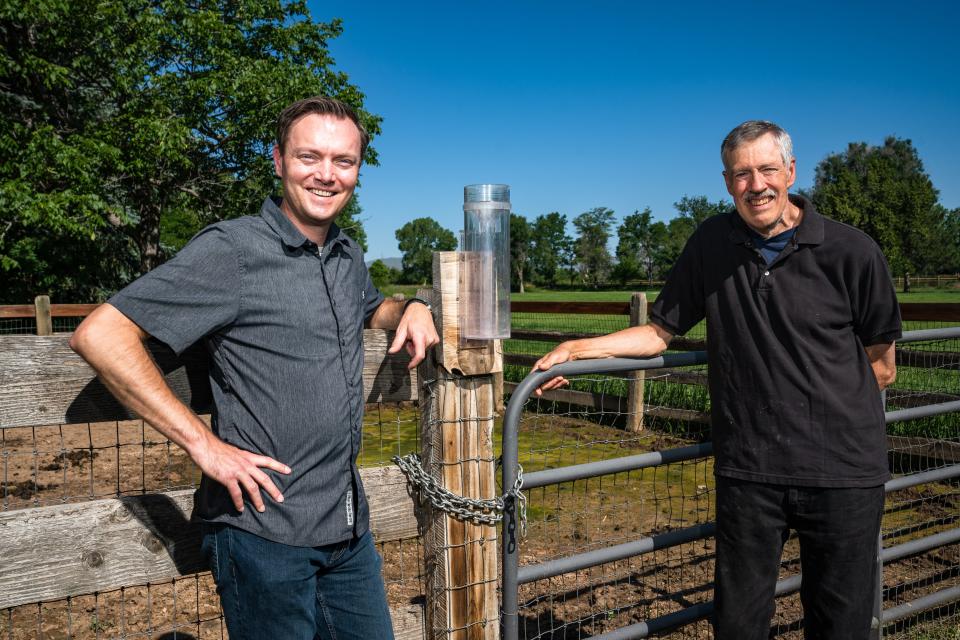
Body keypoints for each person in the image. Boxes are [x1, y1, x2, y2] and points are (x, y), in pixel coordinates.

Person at [70, 96, 439, 640]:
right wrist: (203, 445)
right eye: (309, 156)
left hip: (345, 528)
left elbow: (369, 306)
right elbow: (100, 333)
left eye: (344, 161)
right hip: (263, 533)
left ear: (358, 170)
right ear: (277, 161)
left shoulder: (346, 254)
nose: (326, 174)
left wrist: (410, 307)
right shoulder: (233, 250)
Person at [533, 120, 901, 640]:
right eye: (742, 174)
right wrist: (577, 349)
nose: (757, 185)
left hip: (842, 473)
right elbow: (659, 332)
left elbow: (881, 365)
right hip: (750, 470)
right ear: (728, 183)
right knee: (738, 623)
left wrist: (824, 413)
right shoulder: (712, 243)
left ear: (791, 172)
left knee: (839, 623)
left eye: (768, 169)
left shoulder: (852, 252)